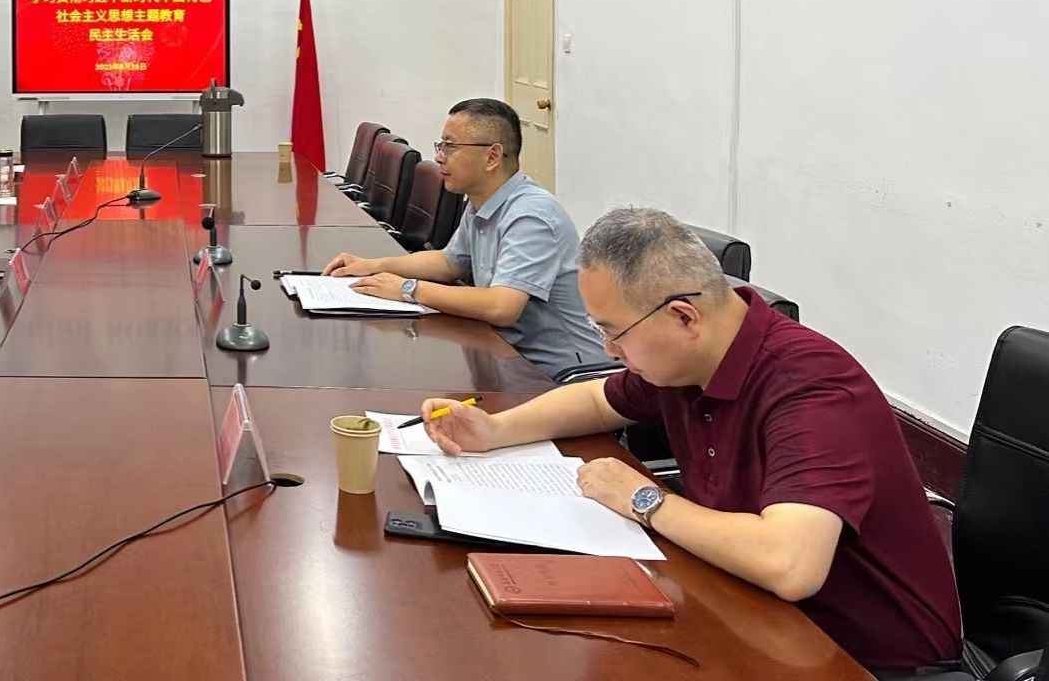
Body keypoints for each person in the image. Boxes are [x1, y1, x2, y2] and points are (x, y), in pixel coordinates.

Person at [420, 208, 962, 676]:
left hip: (861, 657)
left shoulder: (812, 388)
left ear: (684, 316)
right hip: (747, 609)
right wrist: (496, 430)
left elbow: (790, 565)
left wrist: (644, 498)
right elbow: (596, 400)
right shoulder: (688, 360)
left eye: (613, 331)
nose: (607, 349)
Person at [323, 98, 604, 377]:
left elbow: (502, 306)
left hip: (559, 374)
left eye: (451, 146)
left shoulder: (531, 215)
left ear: (492, 157)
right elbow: (450, 263)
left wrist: (407, 288)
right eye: (441, 145)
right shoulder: (483, 200)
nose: (439, 156)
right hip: (505, 354)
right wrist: (373, 265)